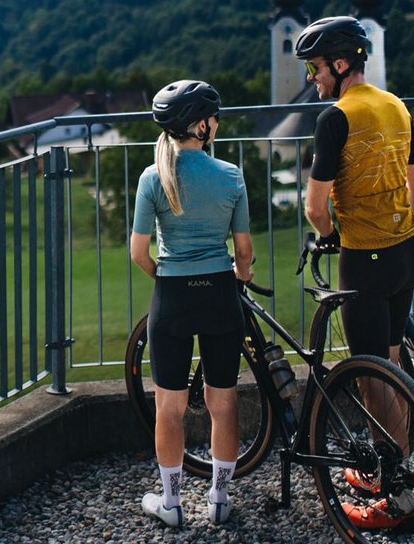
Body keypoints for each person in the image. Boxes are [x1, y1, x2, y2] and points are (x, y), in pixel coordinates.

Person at [296, 15, 414, 531]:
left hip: (365, 259)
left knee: (373, 379)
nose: (313, 77)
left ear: (341, 62)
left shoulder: (335, 118)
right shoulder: (396, 104)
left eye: (315, 67)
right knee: (391, 367)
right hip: (406, 252)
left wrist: (331, 234)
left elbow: (314, 205)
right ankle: (390, 473)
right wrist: (406, 226)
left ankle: (395, 504)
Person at [129, 79, 254, 528]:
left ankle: (172, 503)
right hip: (221, 294)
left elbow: (139, 252)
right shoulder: (231, 176)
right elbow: (243, 251)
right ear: (201, 126)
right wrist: (243, 275)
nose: (217, 124)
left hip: (174, 297)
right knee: (223, 401)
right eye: (214, 118)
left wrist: (167, 280)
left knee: (170, 406)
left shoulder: (152, 178)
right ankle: (219, 498)